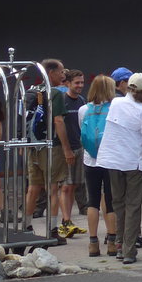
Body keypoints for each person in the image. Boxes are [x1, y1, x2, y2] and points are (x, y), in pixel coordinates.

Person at [96, 72, 142, 265]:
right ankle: (130, 251)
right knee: (133, 206)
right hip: (134, 163)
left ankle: (120, 246)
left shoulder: (115, 103)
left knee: (119, 204)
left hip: (113, 160)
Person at [24, 59, 73, 243]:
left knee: (33, 188)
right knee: (53, 188)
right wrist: (67, 149)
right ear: (50, 72)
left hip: (33, 146)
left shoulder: (31, 91)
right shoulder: (55, 94)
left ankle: (27, 226)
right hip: (51, 146)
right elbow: (58, 121)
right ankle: (52, 230)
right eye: (61, 72)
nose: (63, 75)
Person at [79, 75, 118, 258]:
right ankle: (112, 242)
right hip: (109, 159)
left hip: (90, 160)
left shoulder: (83, 109)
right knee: (110, 201)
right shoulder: (115, 108)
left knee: (92, 201)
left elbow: (83, 132)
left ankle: (93, 243)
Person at [57, 69, 88, 239]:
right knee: (66, 186)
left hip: (79, 148)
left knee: (75, 185)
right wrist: (66, 149)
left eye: (82, 82)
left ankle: (67, 222)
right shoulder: (62, 101)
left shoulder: (82, 101)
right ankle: (65, 221)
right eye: (77, 83)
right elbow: (58, 125)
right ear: (68, 83)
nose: (80, 86)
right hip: (66, 149)